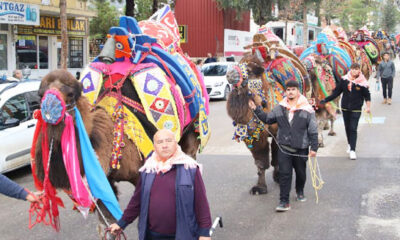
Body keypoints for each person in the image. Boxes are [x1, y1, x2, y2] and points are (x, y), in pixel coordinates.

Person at [109, 129, 212, 240]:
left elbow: (201, 203)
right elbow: (136, 201)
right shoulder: (148, 169)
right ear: (154, 146)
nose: (164, 145)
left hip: (183, 235)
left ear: (175, 143)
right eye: (160, 142)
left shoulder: (190, 168)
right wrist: (121, 224)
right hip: (152, 236)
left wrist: (205, 233)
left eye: (168, 141)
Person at [249, 80, 318, 212]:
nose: (290, 92)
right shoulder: (279, 108)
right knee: (285, 174)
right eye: (288, 90)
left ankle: (300, 190)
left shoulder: (307, 109)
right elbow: (268, 118)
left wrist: (314, 148)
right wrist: (256, 109)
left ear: (298, 91)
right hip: (284, 147)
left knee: (301, 173)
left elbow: (313, 130)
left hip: (301, 148)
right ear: (285, 92)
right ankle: (284, 201)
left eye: (293, 89)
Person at [320, 63, 371, 160]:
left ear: (359, 70)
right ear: (350, 69)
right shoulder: (344, 80)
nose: (354, 71)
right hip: (345, 108)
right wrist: (326, 100)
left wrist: (368, 107)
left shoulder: (362, 82)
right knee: (347, 128)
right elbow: (337, 93)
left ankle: (352, 150)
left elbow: (367, 96)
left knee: (353, 128)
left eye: (356, 69)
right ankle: (349, 143)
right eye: (353, 69)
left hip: (356, 108)